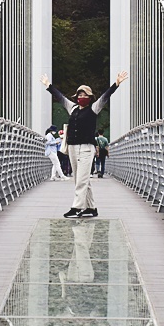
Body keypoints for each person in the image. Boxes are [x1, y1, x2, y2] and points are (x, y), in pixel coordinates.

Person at [41, 71, 129, 218]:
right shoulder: (73, 108)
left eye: (85, 95)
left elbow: (105, 97)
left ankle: (77, 207)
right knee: (81, 179)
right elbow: (60, 97)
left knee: (81, 180)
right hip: (73, 148)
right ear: (76, 97)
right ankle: (91, 208)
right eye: (79, 95)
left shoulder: (93, 109)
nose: (82, 97)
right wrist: (48, 85)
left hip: (86, 149)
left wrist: (116, 84)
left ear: (89, 98)